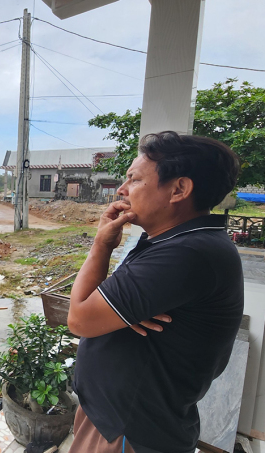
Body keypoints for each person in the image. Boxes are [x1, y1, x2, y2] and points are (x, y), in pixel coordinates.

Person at [67, 131, 243, 453]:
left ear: (179, 189)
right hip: (113, 418)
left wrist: (101, 245)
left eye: (133, 179)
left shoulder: (187, 253)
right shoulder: (170, 241)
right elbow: (100, 304)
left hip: (128, 432)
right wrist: (120, 312)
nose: (121, 190)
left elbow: (79, 318)